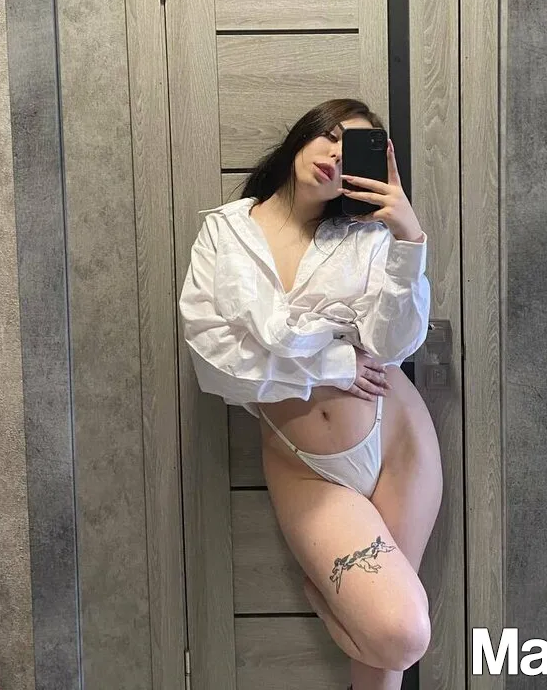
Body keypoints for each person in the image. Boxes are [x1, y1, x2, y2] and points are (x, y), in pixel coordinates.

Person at [178, 98, 443, 690]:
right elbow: (214, 361)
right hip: (307, 468)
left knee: (381, 663)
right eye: (330, 135)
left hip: (399, 437)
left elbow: (393, 344)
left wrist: (408, 236)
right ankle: (332, 608)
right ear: (303, 135)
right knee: (400, 634)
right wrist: (331, 365)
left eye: (354, 152)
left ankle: (339, 616)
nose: (335, 155)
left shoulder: (365, 237)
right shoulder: (225, 233)